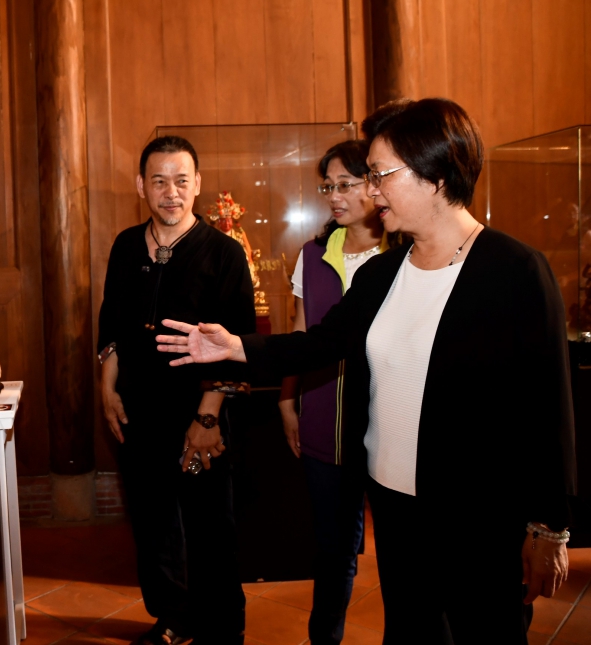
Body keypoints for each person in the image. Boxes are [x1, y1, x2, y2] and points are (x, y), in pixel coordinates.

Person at [156, 98, 576, 644]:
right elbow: (320, 343)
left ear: (434, 174)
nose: (371, 191)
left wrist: (549, 526)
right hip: (393, 505)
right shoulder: (382, 273)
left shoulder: (514, 271)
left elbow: (549, 407)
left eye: (381, 175)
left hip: (477, 513)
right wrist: (237, 347)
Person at [98, 136, 256, 645]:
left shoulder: (224, 253)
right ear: (141, 185)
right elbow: (111, 321)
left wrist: (207, 418)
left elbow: (237, 342)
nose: (171, 192)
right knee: (153, 521)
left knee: (210, 525)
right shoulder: (126, 246)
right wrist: (107, 386)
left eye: (182, 181)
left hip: (198, 410)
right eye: (160, 181)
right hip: (138, 409)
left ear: (198, 184)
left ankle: (222, 628)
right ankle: (172, 618)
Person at [278, 139, 386, 645]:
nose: (335, 196)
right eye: (328, 186)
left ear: (374, 184)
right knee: (333, 550)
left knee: (405, 554)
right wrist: (287, 400)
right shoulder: (314, 254)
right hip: (324, 419)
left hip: (389, 425)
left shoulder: (403, 255)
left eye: (346, 184)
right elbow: (301, 334)